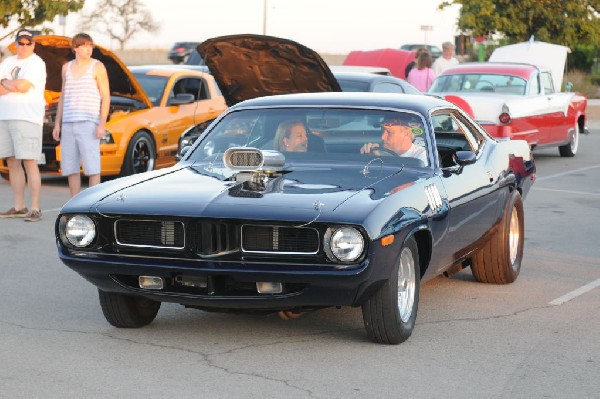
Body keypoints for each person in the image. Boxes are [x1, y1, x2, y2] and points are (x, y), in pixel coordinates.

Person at [52, 33, 110, 197]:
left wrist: (101, 124)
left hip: (89, 122)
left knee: (92, 167)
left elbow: (105, 96)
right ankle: (74, 204)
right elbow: (63, 95)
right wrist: (57, 123)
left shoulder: (97, 66)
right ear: (75, 48)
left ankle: (92, 203)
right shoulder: (66, 68)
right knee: (70, 167)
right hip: (69, 122)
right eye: (85, 45)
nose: (88, 49)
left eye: (91, 46)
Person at [0, 29, 47, 222]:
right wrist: (11, 84)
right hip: (5, 116)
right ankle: (19, 206)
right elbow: (4, 89)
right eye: (21, 43)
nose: (25, 46)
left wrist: (5, 82)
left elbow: (23, 87)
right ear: (16, 44)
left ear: (33, 45)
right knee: (11, 162)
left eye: (29, 43)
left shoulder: (36, 63)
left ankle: (35, 208)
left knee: (29, 162)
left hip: (27, 117)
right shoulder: (8, 62)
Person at [360, 115, 428, 165]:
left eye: (389, 133)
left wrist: (380, 160)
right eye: (382, 131)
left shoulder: (422, 157)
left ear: (408, 133)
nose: (383, 137)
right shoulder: (377, 153)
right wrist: (367, 159)